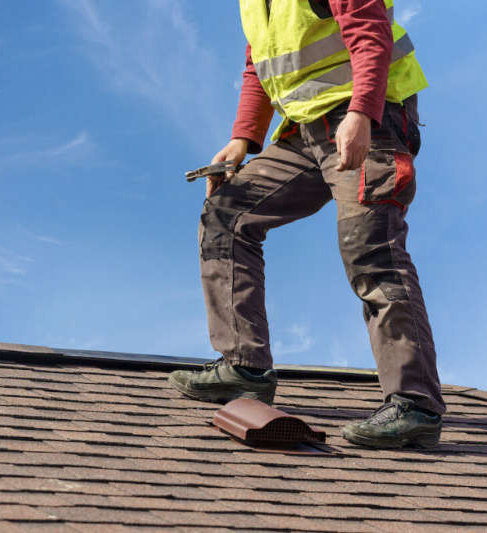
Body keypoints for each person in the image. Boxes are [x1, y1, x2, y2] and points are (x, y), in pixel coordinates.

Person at [168, 0, 446, 449]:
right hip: (306, 134)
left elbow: (370, 32)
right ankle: (245, 368)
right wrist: (242, 139)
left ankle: (416, 405)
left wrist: (362, 111)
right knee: (227, 213)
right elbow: (258, 65)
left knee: (370, 248)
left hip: (370, 121)